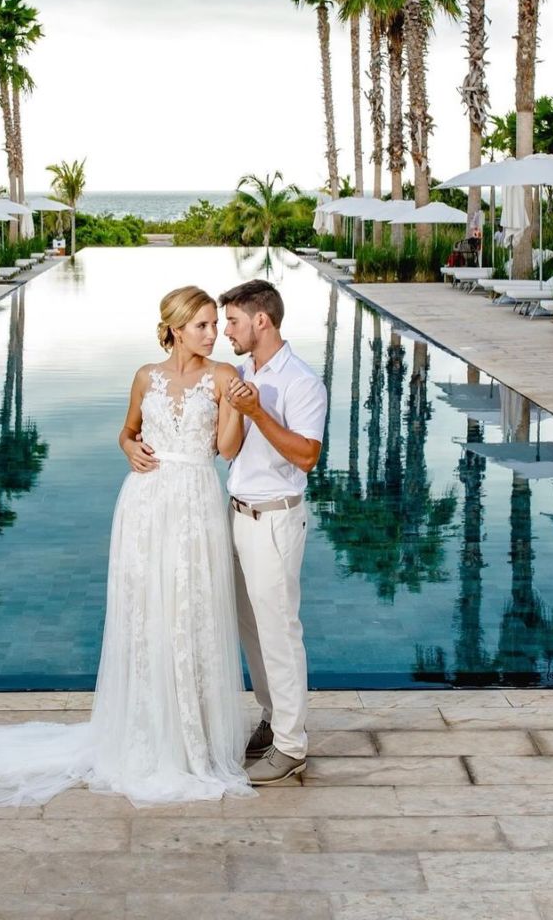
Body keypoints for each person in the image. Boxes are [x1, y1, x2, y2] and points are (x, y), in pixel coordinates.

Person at [0, 285, 255, 807]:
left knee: (192, 610)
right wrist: (129, 447)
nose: (213, 334)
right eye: (203, 325)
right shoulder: (145, 376)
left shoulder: (226, 376)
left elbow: (227, 449)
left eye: (214, 324)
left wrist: (239, 407)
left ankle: (193, 738)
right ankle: (145, 730)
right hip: (144, 502)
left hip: (196, 500)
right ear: (176, 328)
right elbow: (127, 431)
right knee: (146, 615)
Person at [219, 279, 327, 785]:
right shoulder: (241, 372)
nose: (226, 332)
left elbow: (307, 456)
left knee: (280, 632)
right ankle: (272, 715)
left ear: (261, 320)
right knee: (249, 629)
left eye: (233, 321)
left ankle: (291, 746)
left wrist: (257, 410)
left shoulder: (302, 382)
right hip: (236, 515)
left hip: (275, 519)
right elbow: (229, 450)